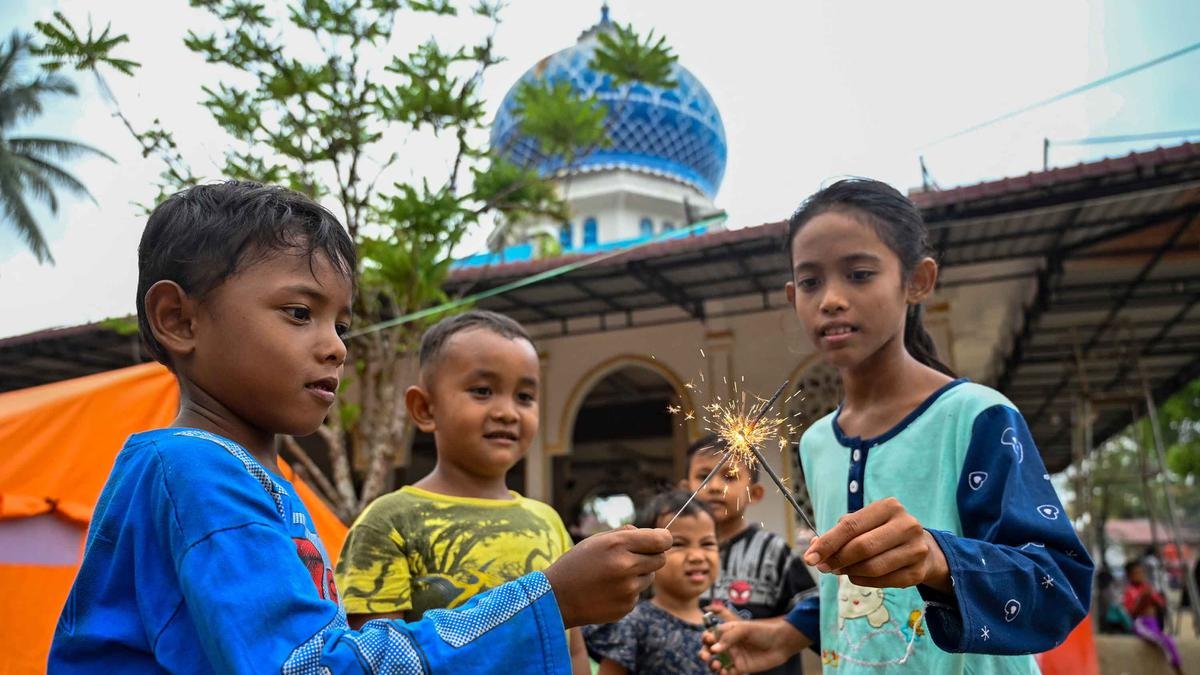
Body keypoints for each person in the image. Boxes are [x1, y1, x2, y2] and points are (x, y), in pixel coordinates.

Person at [48, 180, 670, 673]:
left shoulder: (244, 478)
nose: (336, 348)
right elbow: (309, 669)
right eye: (299, 313)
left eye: (341, 326)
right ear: (178, 320)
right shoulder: (199, 474)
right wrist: (544, 601)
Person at [701, 178, 1093, 674]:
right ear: (791, 295)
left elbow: (1058, 583)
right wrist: (787, 633)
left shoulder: (976, 417)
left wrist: (939, 559)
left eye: (860, 274)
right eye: (810, 282)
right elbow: (848, 585)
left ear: (918, 281)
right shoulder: (818, 442)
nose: (831, 300)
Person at [336, 310, 589, 671]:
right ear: (425, 408)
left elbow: (573, 649)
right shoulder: (388, 522)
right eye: (483, 391)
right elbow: (376, 660)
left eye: (525, 396)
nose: (508, 412)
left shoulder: (547, 521)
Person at [684, 434, 815, 675]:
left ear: (754, 493)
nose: (713, 486)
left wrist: (752, 630)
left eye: (730, 476)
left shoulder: (774, 553)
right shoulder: (671, 555)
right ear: (685, 489)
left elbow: (817, 620)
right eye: (703, 477)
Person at [585, 490, 721, 674]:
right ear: (647, 553)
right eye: (679, 544)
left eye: (707, 544)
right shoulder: (633, 623)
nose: (697, 556)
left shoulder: (718, 624)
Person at [1124, 560, 1183, 674]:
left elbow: (1161, 604)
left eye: (1141, 572)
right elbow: (1131, 612)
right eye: (1136, 573)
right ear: (1129, 576)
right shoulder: (1130, 591)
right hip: (1141, 623)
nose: (1140, 575)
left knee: (1169, 640)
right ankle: (1177, 669)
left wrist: (1152, 597)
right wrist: (1142, 599)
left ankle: (1177, 666)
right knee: (1161, 640)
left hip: (1153, 623)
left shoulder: (1147, 588)